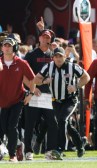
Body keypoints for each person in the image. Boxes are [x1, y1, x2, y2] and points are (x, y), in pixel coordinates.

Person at [34, 47, 90, 158]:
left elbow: (86, 77)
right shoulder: (48, 67)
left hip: (70, 100)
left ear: (65, 56)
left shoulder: (72, 66)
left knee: (62, 120)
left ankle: (60, 149)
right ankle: (80, 145)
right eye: (56, 56)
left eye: (61, 56)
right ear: (53, 58)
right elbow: (36, 79)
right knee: (65, 125)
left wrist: (76, 86)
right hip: (55, 101)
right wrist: (45, 81)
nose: (58, 59)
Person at [23, 29, 60, 160]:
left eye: (48, 37)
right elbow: (23, 74)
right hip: (34, 94)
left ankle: (49, 151)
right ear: (39, 38)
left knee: (53, 123)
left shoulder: (54, 55)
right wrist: (33, 88)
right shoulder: (31, 54)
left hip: (48, 96)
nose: (46, 39)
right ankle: (28, 151)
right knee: (30, 124)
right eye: (43, 37)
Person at [0, 37, 35, 162]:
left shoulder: (21, 63)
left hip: (17, 99)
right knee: (3, 127)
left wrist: (30, 94)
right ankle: (19, 144)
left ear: (14, 48)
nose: (7, 47)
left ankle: (12, 155)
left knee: (12, 127)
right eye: (5, 45)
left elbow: (32, 80)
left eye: (9, 45)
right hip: (2, 101)